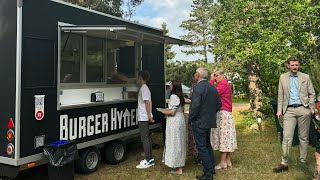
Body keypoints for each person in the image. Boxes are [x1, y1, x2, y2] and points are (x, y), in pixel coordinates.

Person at [273, 56, 316, 173]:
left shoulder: (305, 77)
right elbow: (280, 95)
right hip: (289, 111)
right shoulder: (282, 77)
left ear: (299, 65)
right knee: (286, 137)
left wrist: (311, 107)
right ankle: (284, 162)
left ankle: (303, 161)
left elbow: (312, 93)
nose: (294, 67)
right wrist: (279, 110)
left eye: (296, 65)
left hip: (303, 109)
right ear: (288, 66)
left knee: (303, 137)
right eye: (292, 65)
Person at [188, 67, 222, 180]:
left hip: (199, 121)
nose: (194, 76)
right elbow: (219, 104)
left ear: (198, 75)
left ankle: (208, 174)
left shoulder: (198, 87)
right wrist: (210, 114)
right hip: (209, 121)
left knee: (202, 147)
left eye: (194, 74)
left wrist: (191, 118)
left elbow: (195, 106)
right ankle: (211, 168)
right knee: (207, 145)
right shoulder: (212, 87)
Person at [210, 69, 237, 170]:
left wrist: (211, 80)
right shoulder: (225, 84)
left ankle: (222, 162)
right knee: (227, 137)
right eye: (214, 76)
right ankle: (227, 160)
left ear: (222, 75)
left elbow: (211, 93)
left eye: (216, 75)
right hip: (226, 113)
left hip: (223, 114)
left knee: (224, 138)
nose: (215, 77)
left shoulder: (223, 85)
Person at [157, 80, 186, 174]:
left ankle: (178, 168)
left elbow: (172, 112)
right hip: (180, 120)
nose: (169, 86)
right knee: (179, 142)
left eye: (171, 85)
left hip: (174, 122)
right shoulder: (180, 96)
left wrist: (161, 111)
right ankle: (179, 165)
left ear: (174, 87)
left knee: (174, 143)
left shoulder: (173, 96)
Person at [136, 70, 155, 169]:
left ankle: (149, 160)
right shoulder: (144, 88)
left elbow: (147, 102)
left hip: (144, 117)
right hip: (144, 116)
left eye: (137, 77)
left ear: (140, 78)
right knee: (146, 138)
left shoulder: (144, 88)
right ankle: (149, 158)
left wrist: (149, 116)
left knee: (145, 138)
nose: (136, 78)